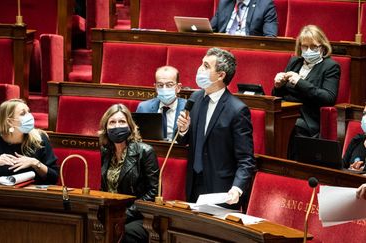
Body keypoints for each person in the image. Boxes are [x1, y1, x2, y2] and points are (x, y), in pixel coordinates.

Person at [176, 47, 256, 208]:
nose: (199, 69)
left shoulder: (237, 110)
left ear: (221, 75)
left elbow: (246, 159)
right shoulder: (195, 98)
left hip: (221, 190)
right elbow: (185, 141)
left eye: (206, 66)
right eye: (201, 64)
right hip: (194, 183)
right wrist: (183, 130)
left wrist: (237, 188)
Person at [272, 25, 340, 159]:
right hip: (286, 112)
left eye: (314, 47)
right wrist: (278, 85)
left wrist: (300, 82)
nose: (309, 50)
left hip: (307, 117)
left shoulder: (330, 66)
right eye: (305, 46)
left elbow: (328, 98)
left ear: (323, 47)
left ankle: (287, 165)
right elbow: (280, 94)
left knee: (292, 127)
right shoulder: (294, 62)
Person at [99, 104, 159, 243]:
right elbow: (104, 188)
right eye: (112, 122)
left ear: (130, 126)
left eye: (122, 122)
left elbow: (153, 192)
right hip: (112, 213)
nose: (117, 126)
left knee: (123, 234)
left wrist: (125, 214)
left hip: (140, 215)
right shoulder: (106, 151)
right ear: (106, 128)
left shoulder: (145, 151)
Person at [0, 99, 59, 184]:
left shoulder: (40, 139)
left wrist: (35, 163)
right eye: (23, 113)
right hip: (2, 194)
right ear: (10, 121)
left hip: (33, 194)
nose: (30, 116)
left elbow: (54, 178)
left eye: (28, 112)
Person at [136, 66, 186, 140]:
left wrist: (184, 130)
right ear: (155, 87)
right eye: (160, 85)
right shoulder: (144, 107)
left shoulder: (189, 109)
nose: (164, 89)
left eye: (169, 85)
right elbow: (137, 137)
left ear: (178, 87)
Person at [211, 0, 278, 37]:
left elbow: (270, 37)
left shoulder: (265, 5)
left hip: (248, 47)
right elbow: (210, 29)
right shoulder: (224, 2)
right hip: (222, 47)